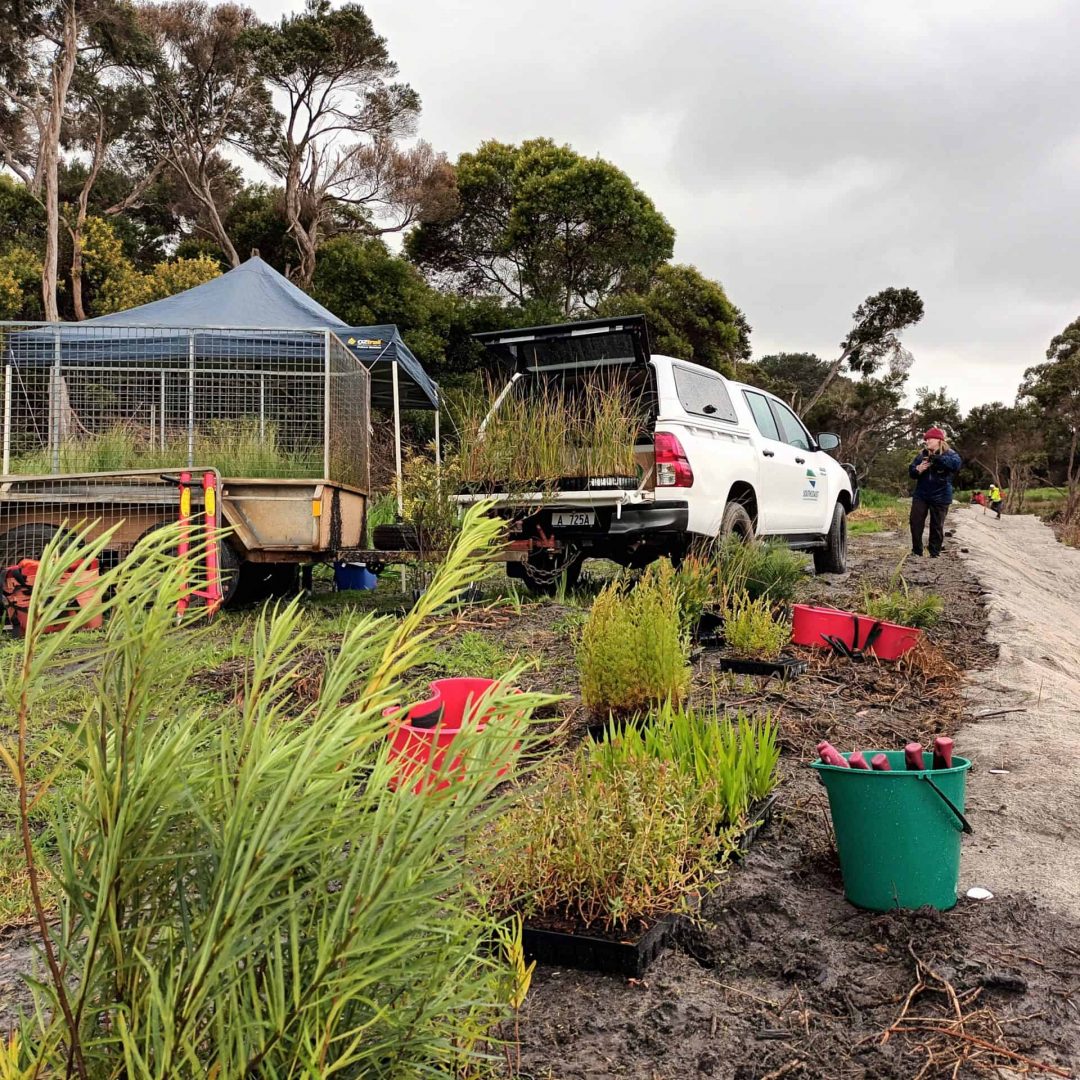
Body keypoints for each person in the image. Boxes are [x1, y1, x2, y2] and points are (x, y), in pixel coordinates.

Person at [908, 427, 963, 558]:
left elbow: (955, 465)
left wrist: (936, 458)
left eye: (929, 439)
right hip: (921, 494)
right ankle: (917, 551)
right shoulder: (922, 455)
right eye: (926, 440)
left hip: (941, 495)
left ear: (939, 440)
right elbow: (911, 472)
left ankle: (934, 552)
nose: (926, 442)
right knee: (915, 522)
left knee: (937, 525)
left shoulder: (950, 454)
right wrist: (918, 469)